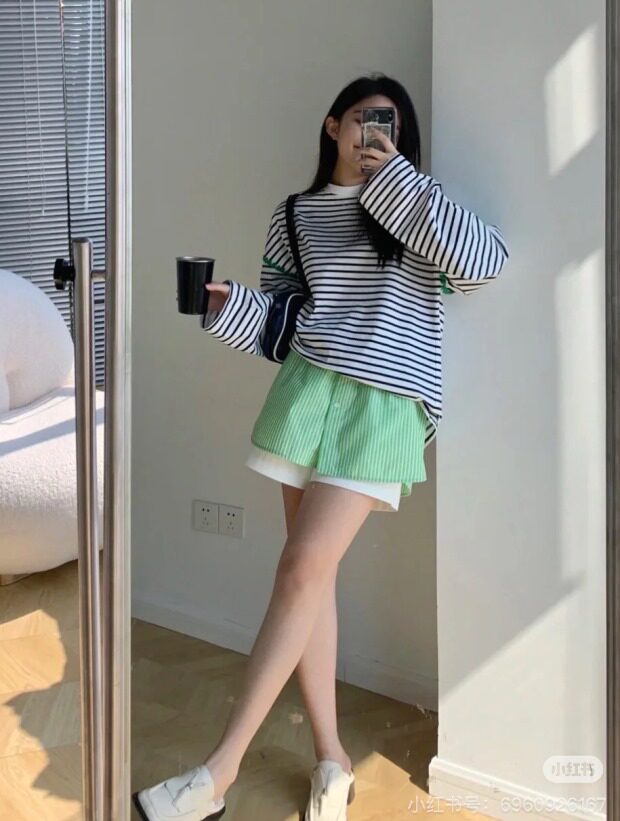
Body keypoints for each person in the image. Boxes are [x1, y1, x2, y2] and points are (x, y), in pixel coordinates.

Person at [132, 73, 509, 821]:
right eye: (365, 120)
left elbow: (483, 264)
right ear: (333, 125)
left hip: (383, 405)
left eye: (390, 125)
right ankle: (332, 759)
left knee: (301, 569)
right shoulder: (295, 215)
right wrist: (229, 305)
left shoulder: (413, 207)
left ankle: (217, 774)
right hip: (307, 396)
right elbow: (286, 320)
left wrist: (394, 183)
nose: (375, 134)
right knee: (311, 580)